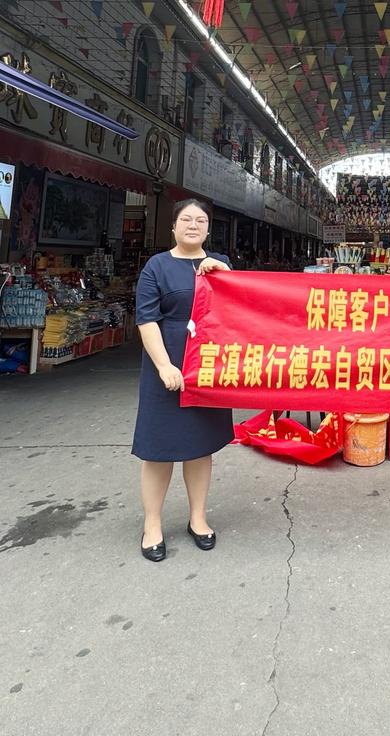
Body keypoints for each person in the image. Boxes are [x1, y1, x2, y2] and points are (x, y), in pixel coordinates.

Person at [133, 198, 234, 562]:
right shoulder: (157, 266)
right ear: (173, 226)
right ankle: (152, 525)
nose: (193, 225)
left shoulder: (219, 264)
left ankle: (198, 518)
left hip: (207, 366)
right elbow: (146, 319)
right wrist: (164, 365)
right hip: (168, 363)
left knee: (199, 445)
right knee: (158, 448)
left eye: (200, 220)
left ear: (208, 228)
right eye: (186, 220)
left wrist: (223, 274)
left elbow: (237, 308)